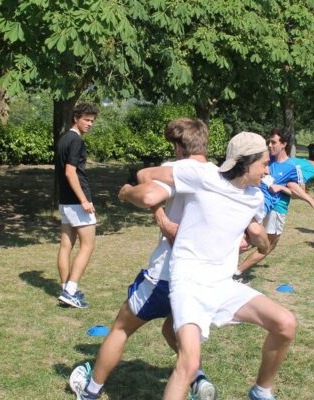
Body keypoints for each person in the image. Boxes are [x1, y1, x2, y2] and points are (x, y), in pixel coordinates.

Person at [123, 132, 297, 400]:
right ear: (245, 162)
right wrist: (129, 194)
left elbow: (255, 233)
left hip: (223, 283)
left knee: (285, 324)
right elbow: (146, 175)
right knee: (189, 363)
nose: (267, 170)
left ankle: (261, 391)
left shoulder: (255, 196)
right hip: (189, 283)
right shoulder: (203, 176)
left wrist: (259, 241)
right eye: (264, 164)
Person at [69, 118, 218, 400]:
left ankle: (90, 391)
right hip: (203, 278)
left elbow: (148, 194)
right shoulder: (219, 173)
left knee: (121, 328)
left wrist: (128, 193)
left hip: (167, 275)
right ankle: (198, 379)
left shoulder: (179, 170)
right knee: (173, 329)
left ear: (179, 146)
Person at [235, 129, 314, 280]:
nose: (270, 145)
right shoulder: (266, 159)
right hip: (259, 206)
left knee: (252, 240)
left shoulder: (293, 167)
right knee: (265, 245)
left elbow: (297, 190)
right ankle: (235, 273)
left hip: (273, 208)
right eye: (269, 142)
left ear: (284, 144)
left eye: (273, 142)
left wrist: (282, 188)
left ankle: (230, 269)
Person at [54, 102, 99, 308]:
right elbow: (70, 173)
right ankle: (71, 291)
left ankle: (65, 289)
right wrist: (84, 201)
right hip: (77, 201)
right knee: (88, 245)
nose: (90, 124)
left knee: (66, 245)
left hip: (65, 201)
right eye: (86, 120)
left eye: (92, 121)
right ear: (76, 118)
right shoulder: (76, 141)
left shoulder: (63, 139)